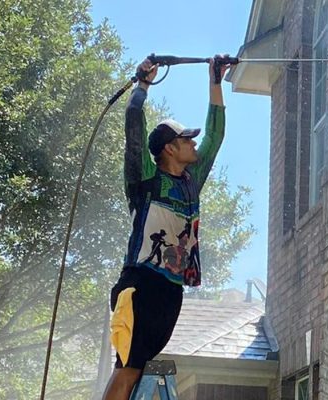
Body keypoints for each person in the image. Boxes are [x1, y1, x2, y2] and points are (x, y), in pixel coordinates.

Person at [101, 55, 232, 400]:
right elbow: (133, 124)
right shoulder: (146, 179)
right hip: (139, 284)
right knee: (128, 367)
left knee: (140, 368)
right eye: (186, 139)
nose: (193, 144)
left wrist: (215, 80)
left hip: (171, 290)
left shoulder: (191, 183)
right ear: (168, 149)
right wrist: (142, 85)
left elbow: (216, 136)